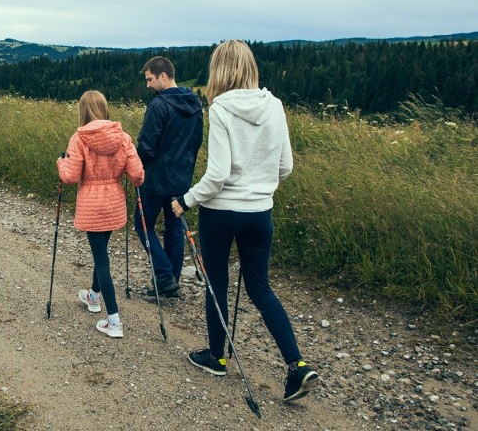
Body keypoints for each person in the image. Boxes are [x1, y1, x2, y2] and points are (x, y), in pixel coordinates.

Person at [171, 39, 319, 402]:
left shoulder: (220, 109)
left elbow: (218, 174)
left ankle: (217, 357)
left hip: (220, 214)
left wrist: (185, 200)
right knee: (260, 288)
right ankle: (296, 366)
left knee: (216, 283)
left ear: (218, 70)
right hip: (260, 213)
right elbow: (286, 166)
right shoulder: (275, 106)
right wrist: (259, 190)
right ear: (250, 67)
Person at [58, 91, 144, 338]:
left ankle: (114, 320)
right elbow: (138, 175)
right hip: (114, 203)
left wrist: (60, 163)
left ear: (83, 111)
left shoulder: (79, 138)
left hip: (92, 204)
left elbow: (71, 177)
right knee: (101, 253)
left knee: (102, 260)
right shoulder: (123, 137)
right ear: (104, 108)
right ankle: (93, 296)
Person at [135, 56, 203, 298]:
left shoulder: (158, 106)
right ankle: (171, 283)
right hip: (181, 179)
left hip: (155, 179)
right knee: (174, 229)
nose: (148, 85)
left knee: (143, 226)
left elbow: (146, 147)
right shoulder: (194, 103)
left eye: (150, 79)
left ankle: (164, 276)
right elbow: (197, 142)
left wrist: (134, 165)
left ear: (163, 76)